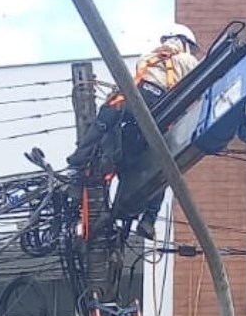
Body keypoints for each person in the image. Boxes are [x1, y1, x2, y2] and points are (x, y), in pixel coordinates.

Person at [67, 24, 202, 240]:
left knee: (105, 125)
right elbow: (197, 88)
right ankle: (147, 220)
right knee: (161, 169)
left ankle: (78, 162)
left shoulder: (146, 57)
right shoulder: (188, 61)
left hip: (131, 104)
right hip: (160, 111)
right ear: (184, 42)